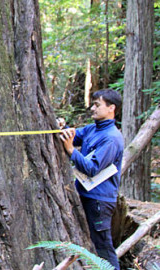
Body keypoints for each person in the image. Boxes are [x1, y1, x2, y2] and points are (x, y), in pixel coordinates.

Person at [60, 89, 124, 270]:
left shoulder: (111, 138)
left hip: (100, 201)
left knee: (103, 245)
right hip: (85, 194)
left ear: (111, 108)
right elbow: (73, 135)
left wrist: (72, 150)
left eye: (97, 105)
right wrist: (62, 127)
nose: (92, 108)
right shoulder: (93, 128)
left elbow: (93, 169)